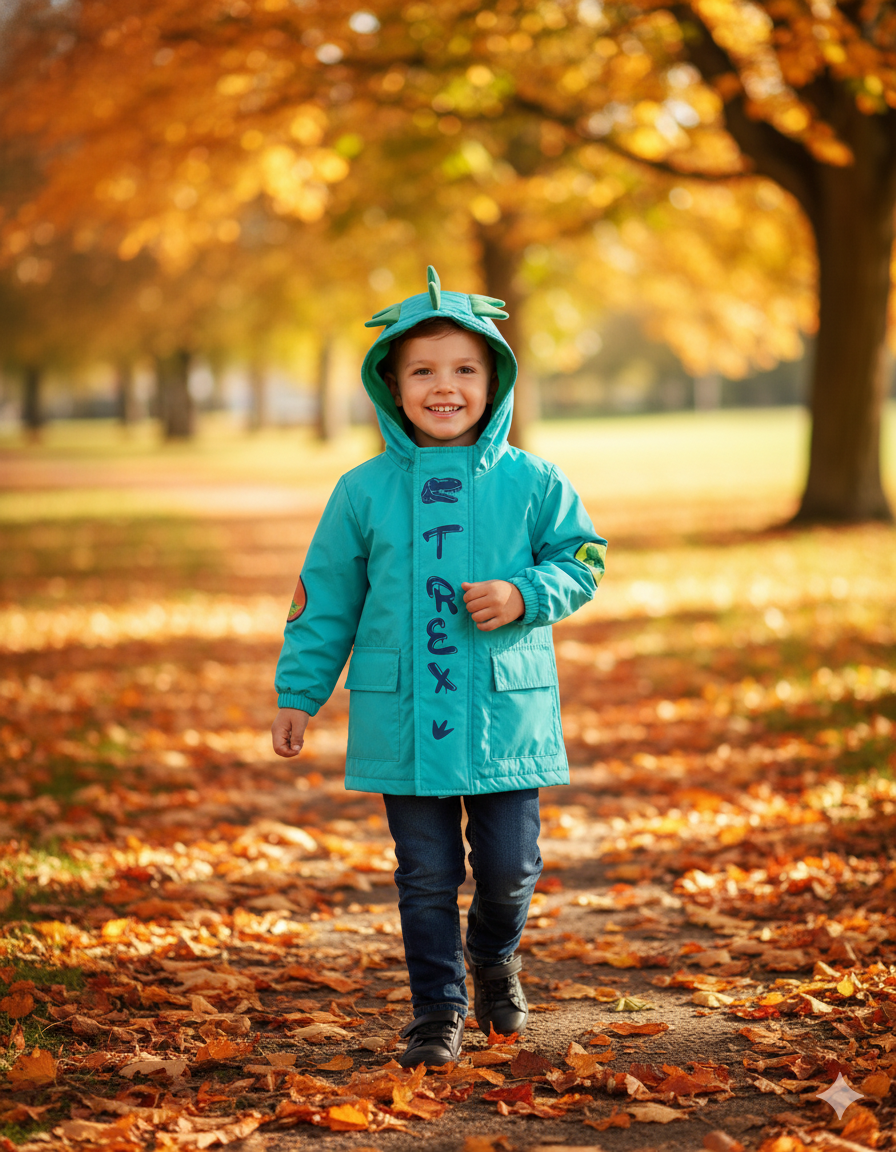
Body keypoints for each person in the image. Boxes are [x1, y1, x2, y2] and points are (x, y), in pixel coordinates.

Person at [271, 266, 606, 1068]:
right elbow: (326, 599)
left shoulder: (533, 481)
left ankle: (493, 955)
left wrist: (525, 593)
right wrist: (298, 692)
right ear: (391, 386)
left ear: (495, 383)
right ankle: (437, 1010)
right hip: (403, 715)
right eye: (422, 371)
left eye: (464, 370)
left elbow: (584, 560)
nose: (444, 387)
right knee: (425, 874)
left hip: (502, 715)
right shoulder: (362, 491)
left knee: (510, 868)